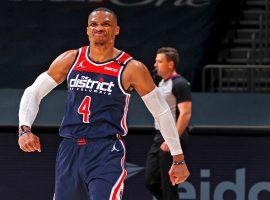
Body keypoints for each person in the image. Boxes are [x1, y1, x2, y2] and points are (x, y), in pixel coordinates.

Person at [17, 8, 190, 200]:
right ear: (87, 30)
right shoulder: (71, 59)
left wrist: (178, 158)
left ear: (116, 30)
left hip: (106, 150)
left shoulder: (131, 68)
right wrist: (24, 129)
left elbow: (162, 112)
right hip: (69, 148)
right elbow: (33, 92)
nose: (99, 28)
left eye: (106, 24)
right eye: (94, 24)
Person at [145, 47, 192, 200]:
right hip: (160, 136)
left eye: (159, 61)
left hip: (172, 136)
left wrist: (172, 140)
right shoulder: (162, 84)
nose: (155, 64)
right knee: (151, 181)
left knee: (169, 183)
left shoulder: (180, 83)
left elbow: (185, 113)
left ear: (170, 64)